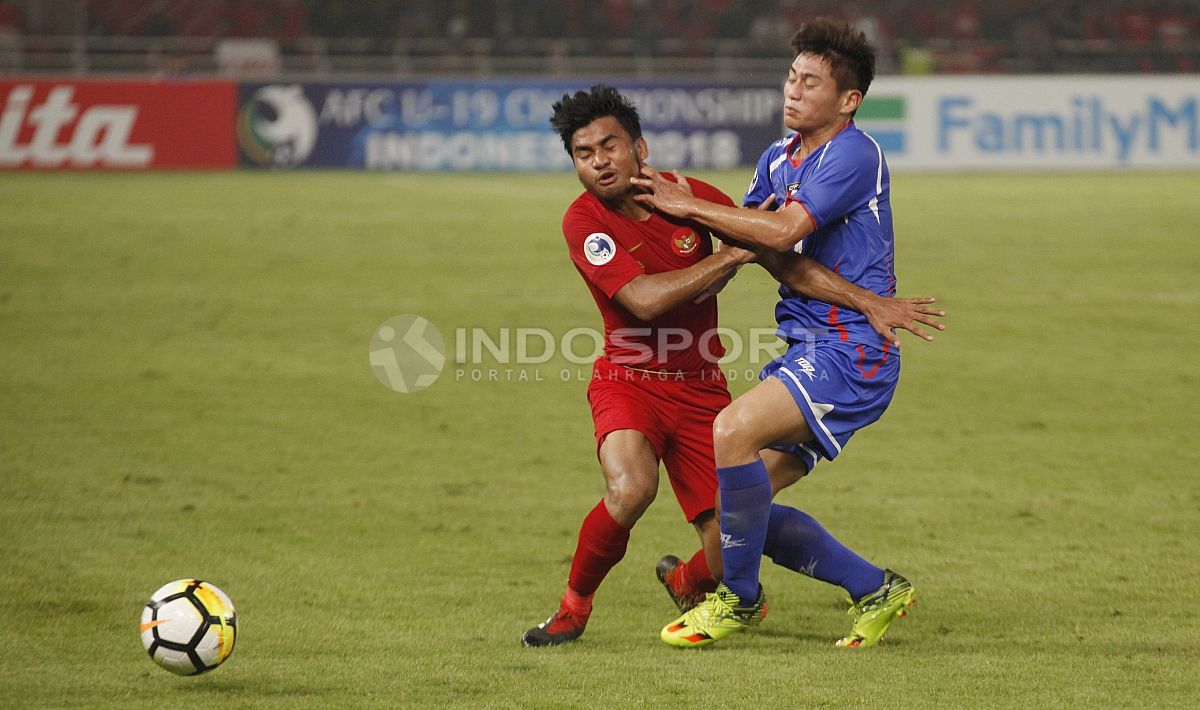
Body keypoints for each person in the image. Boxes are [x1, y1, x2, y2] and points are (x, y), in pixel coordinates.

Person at [523, 84, 942, 647]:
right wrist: (728, 253)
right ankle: (573, 610)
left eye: (609, 146)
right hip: (629, 381)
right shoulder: (584, 222)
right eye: (583, 154)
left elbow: (784, 263)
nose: (599, 162)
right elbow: (644, 300)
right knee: (631, 488)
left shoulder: (689, 196)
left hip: (699, 389)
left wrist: (867, 301)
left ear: (639, 147)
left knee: (742, 524)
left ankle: (707, 583)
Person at [633, 18, 929, 649]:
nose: (793, 91)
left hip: (854, 352)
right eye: (791, 76)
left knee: (730, 431)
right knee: (743, 507)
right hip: (815, 344)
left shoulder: (853, 153)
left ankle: (736, 601)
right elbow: (766, 248)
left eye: (811, 82)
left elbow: (778, 231)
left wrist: (687, 206)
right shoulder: (776, 158)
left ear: (848, 100)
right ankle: (878, 588)